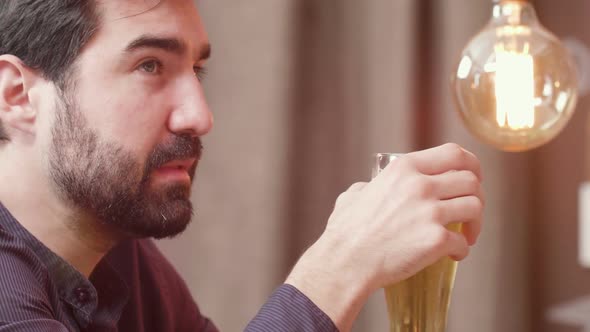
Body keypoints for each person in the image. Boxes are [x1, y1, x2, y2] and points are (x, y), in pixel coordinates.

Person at [0, 0, 484, 331]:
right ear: (17, 95)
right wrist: (339, 267)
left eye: (196, 71)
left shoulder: (118, 252)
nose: (201, 116)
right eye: (150, 66)